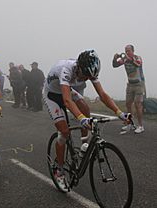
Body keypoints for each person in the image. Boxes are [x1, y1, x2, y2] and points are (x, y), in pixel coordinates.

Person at [43, 50, 130, 192]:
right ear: (79, 67)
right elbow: (66, 100)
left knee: (86, 109)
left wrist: (120, 113)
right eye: (85, 76)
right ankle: (58, 170)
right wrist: (81, 119)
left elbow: (102, 95)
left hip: (66, 90)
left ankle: (84, 145)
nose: (86, 79)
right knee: (64, 132)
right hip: (52, 94)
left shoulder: (90, 72)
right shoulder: (66, 69)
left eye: (89, 77)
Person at [113, 44, 145, 134]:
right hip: (130, 84)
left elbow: (137, 64)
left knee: (137, 104)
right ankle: (130, 123)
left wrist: (128, 58)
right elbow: (115, 65)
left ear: (133, 51)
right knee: (128, 104)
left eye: (128, 50)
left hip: (139, 84)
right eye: (125, 50)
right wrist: (115, 58)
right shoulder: (125, 59)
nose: (127, 52)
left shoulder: (137, 57)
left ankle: (140, 126)